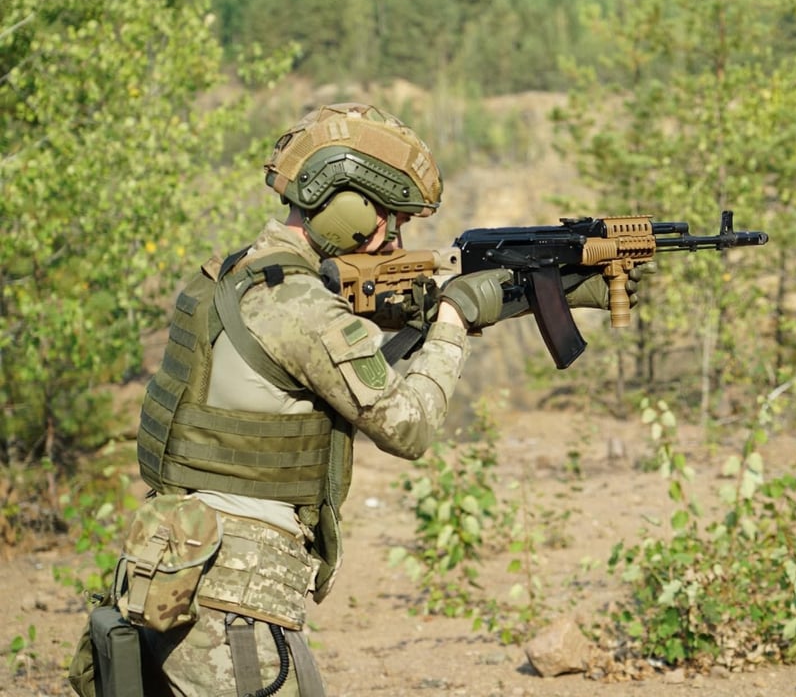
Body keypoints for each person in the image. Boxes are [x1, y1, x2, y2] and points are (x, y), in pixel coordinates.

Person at [67, 102, 649, 697]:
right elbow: (408, 426)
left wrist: (543, 291)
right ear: (345, 205)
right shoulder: (301, 307)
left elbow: (340, 347)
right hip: (235, 608)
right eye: (389, 220)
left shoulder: (235, 274)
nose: (394, 237)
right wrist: (455, 317)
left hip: (175, 572)